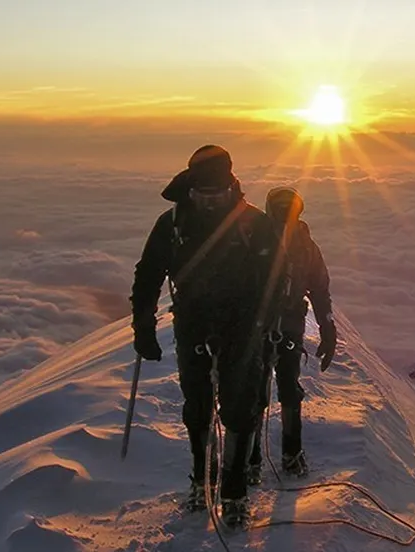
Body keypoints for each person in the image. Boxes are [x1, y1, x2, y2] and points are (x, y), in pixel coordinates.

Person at [129, 145, 283, 528]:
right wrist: (143, 325)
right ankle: (203, 479)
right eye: (204, 194)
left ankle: (232, 491)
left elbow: (276, 280)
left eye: (217, 193)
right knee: (198, 407)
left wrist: (267, 327)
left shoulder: (253, 224)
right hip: (195, 324)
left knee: (238, 408)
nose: (211, 201)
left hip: (241, 328)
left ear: (231, 185)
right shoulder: (174, 224)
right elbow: (148, 275)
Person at [249, 186, 337, 481]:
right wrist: (326, 326)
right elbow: (320, 292)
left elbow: (320, 290)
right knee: (271, 388)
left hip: (272, 325)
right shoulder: (294, 244)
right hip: (271, 325)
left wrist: (327, 326)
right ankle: (276, 455)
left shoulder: (298, 245)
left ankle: (266, 456)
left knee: (274, 388)